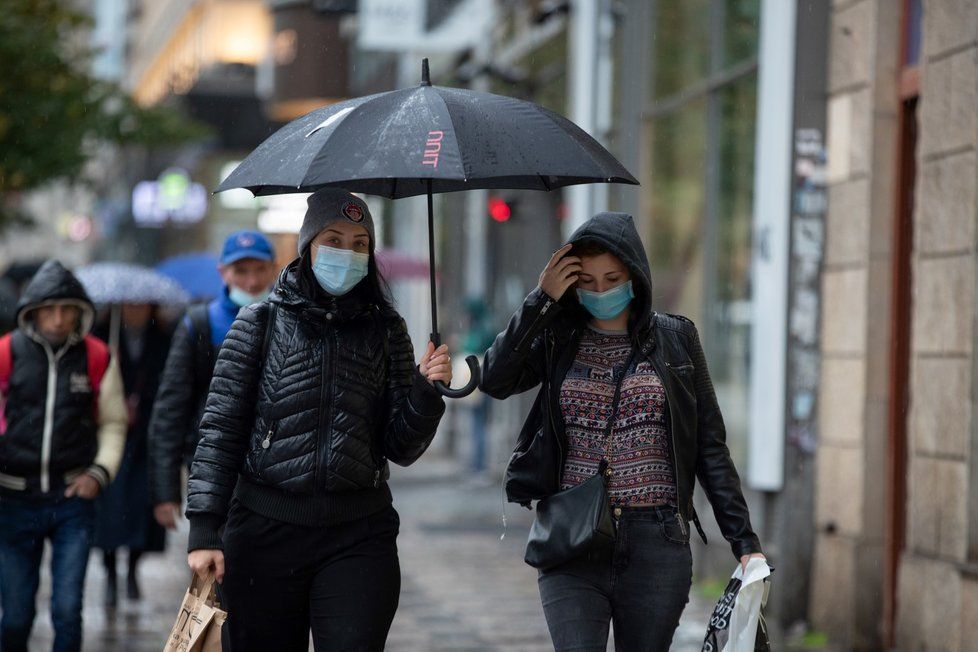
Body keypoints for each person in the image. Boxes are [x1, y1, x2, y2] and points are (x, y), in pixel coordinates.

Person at [480, 212, 765, 652]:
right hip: (572, 539)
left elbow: (709, 445)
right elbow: (496, 380)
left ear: (635, 274)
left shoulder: (677, 339)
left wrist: (743, 541)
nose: (600, 291)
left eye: (612, 278)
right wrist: (541, 300)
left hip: (657, 543)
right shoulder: (559, 335)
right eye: (587, 281)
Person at [185, 188, 452, 652]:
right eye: (333, 239)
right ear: (307, 246)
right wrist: (205, 528)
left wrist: (427, 394)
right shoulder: (258, 323)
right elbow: (220, 430)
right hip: (263, 533)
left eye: (359, 243)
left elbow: (401, 448)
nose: (345, 253)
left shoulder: (387, 331)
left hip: (358, 535)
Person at [0, 260, 127, 652]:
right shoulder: (7, 352)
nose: (57, 319)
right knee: (17, 614)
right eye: (49, 308)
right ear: (33, 310)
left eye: (66, 308)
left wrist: (99, 473)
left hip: (73, 499)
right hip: (13, 498)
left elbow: (114, 423)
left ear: (79, 311)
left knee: (68, 610)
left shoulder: (97, 357)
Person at [148, 230, 277, 531]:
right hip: (213, 469)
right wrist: (165, 491)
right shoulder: (201, 324)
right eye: (241, 271)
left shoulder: (288, 319)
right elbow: (171, 409)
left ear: (273, 268)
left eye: (259, 269)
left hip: (275, 473)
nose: (251, 281)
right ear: (223, 272)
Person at [93, 303, 172, 607]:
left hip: (146, 438)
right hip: (112, 436)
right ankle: (111, 571)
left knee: (141, 506)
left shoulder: (161, 338)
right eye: (129, 305)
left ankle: (133, 569)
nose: (135, 310)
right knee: (111, 510)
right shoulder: (104, 336)